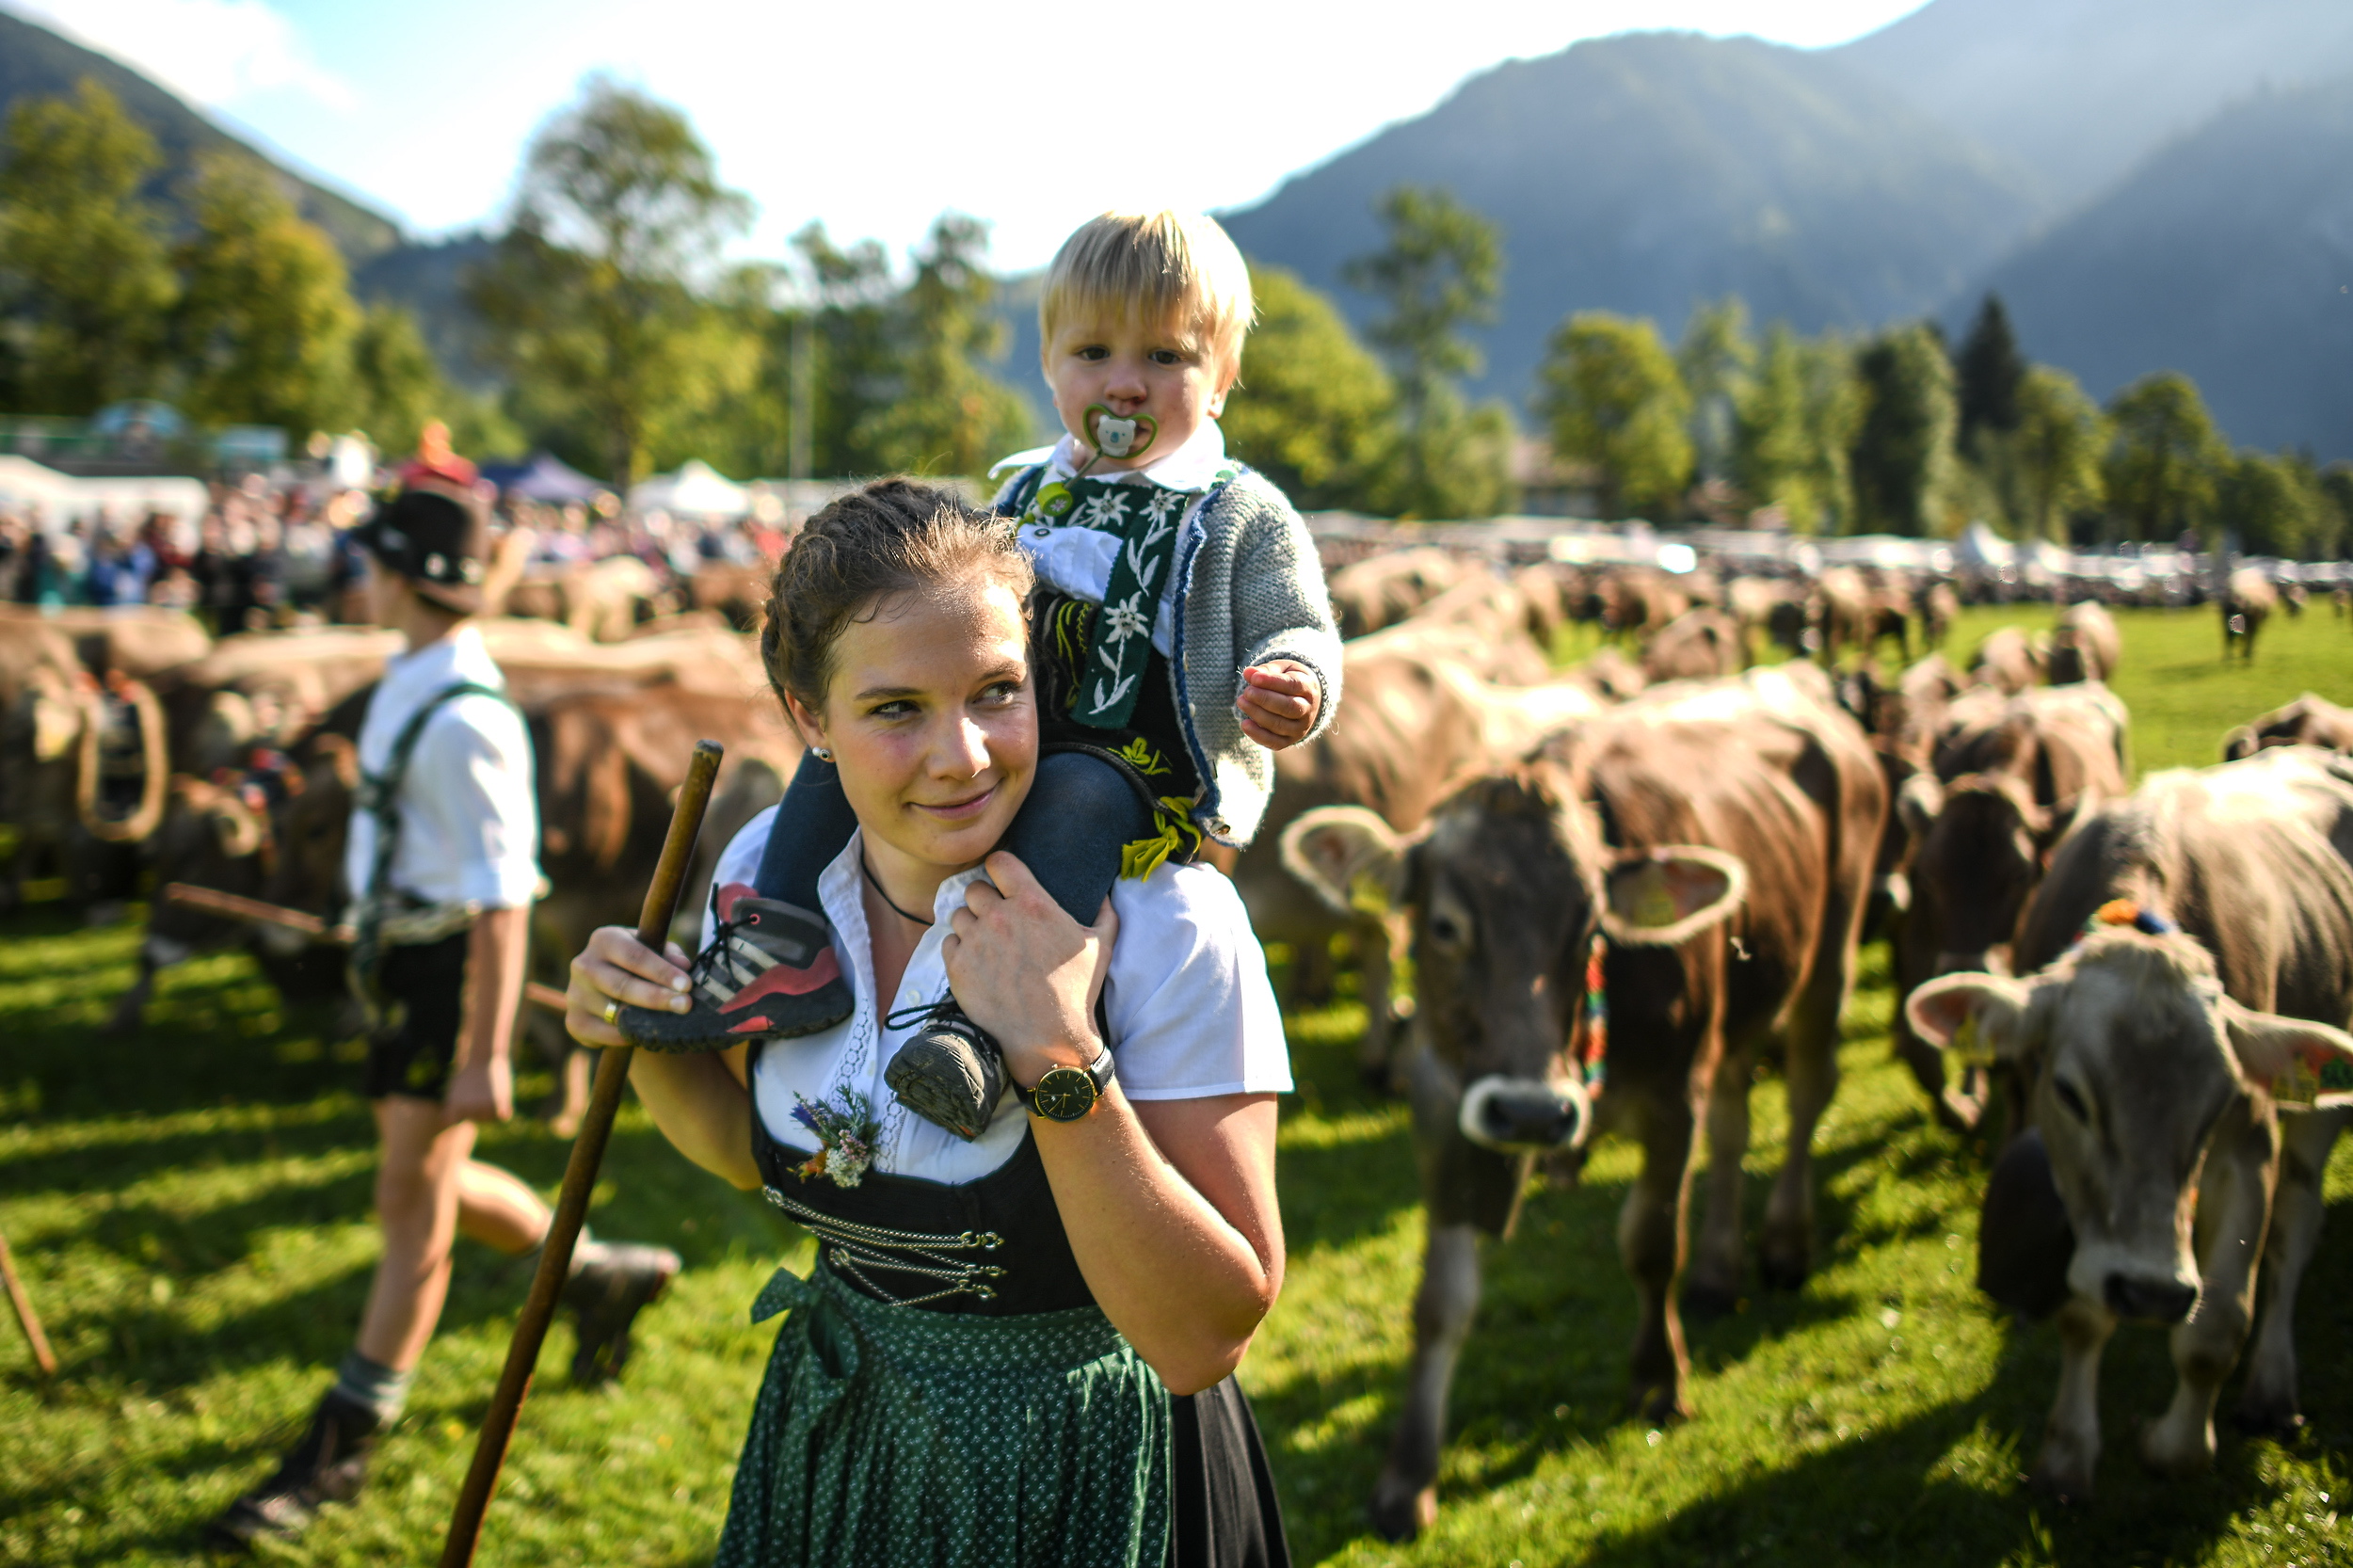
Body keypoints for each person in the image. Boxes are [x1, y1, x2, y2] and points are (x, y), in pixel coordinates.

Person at [568, 480, 1292, 1564]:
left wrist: (1058, 1054)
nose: (964, 756)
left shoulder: (1165, 922)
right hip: (844, 1439)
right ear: (808, 717)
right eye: (896, 708)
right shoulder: (772, 876)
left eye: (997, 692)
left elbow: (1201, 1337)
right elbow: (749, 1156)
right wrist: (634, 1034)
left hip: (1086, 1467)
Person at [619, 210, 1340, 1153]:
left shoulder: (1239, 511)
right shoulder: (1022, 488)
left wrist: (1293, 677)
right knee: (839, 760)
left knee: (1075, 801)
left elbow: (1299, 620)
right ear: (1048, 363)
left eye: (1166, 357)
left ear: (1223, 379)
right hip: (1006, 725)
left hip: (1140, 764)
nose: (1126, 382)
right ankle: (777, 943)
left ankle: (977, 1031)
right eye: (1093, 351)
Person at [209, 481, 680, 1549]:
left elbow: (503, 894)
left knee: (409, 1210)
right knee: (421, 1180)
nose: (354, 579)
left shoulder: (469, 715)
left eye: (367, 562)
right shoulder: (413, 675)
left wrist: (482, 1050)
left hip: (446, 976)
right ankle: (599, 1272)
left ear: (400, 574)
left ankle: (346, 1438)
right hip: (402, 961)